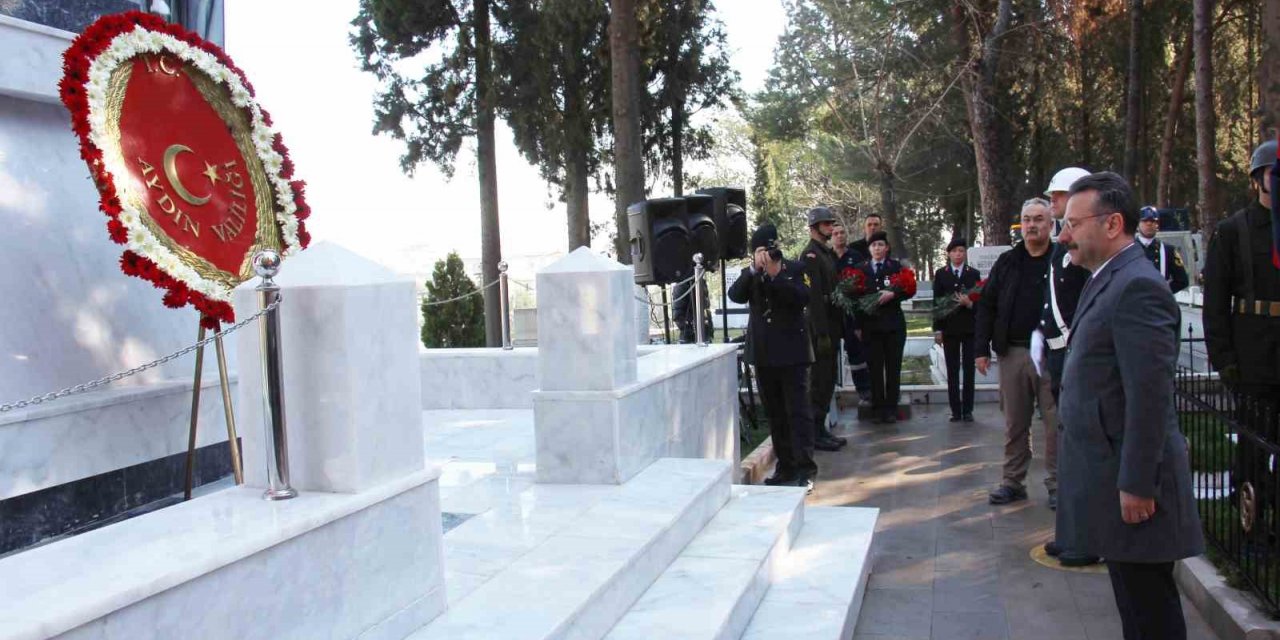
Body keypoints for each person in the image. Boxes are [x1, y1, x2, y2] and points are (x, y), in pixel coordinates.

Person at [1054, 171, 1204, 639]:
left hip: (1136, 489)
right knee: (1136, 611)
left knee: (1150, 616)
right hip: (1112, 478)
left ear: (1113, 223)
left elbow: (1149, 396)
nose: (1064, 235)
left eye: (1073, 224)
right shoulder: (1108, 278)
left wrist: (1138, 484)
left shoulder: (1137, 286)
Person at [974, 199, 1059, 506]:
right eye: (1026, 219)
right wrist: (981, 348)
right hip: (1013, 352)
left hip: (1053, 354)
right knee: (1014, 422)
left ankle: (1057, 483)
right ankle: (1013, 481)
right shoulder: (1008, 262)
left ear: (1050, 224)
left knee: (1056, 422)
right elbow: (987, 305)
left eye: (1038, 219)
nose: (1031, 225)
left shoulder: (1062, 260)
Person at [1040, 168, 1102, 566]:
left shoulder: (1084, 243)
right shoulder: (1063, 243)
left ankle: (1089, 537)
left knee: (1084, 445)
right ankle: (1070, 531)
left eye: (1058, 196)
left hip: (1078, 351)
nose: (1052, 203)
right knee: (1068, 443)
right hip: (1060, 352)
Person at [728, 224, 817, 492]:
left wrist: (777, 275)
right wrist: (755, 270)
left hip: (792, 354)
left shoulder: (796, 269)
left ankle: (805, 469)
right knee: (776, 414)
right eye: (759, 250)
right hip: (765, 355)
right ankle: (785, 466)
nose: (766, 255)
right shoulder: (751, 274)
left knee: (798, 413)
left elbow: (803, 297)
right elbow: (735, 295)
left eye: (769, 248)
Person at [1203, 138, 1280, 397]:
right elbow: (1215, 300)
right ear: (1258, 178)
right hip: (1254, 354)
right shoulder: (1232, 231)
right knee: (1258, 435)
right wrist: (1224, 359)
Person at [851, 231, 913, 423]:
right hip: (871, 328)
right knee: (875, 369)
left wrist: (893, 295)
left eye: (880, 245)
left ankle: (891, 409)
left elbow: (909, 289)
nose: (877, 248)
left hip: (893, 326)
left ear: (886, 248)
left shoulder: (895, 267)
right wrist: (858, 326)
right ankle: (878, 409)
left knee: (893, 369)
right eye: (873, 245)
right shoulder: (860, 269)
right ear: (869, 249)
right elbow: (854, 299)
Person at [801, 207, 848, 451]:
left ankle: (822, 430)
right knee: (819, 382)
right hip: (820, 327)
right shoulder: (810, 256)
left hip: (832, 323)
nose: (831, 227)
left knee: (828, 380)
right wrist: (820, 333)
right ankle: (815, 433)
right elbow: (814, 298)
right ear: (814, 227)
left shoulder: (826, 253)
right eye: (826, 224)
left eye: (831, 223)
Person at [932, 237, 980, 422]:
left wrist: (969, 304)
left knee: (969, 370)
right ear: (949, 254)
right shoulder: (941, 274)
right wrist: (937, 329)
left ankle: (967, 410)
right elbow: (936, 302)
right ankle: (955, 410)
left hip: (969, 328)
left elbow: (979, 300)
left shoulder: (972, 273)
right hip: (950, 329)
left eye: (961, 251)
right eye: (954, 251)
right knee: (952, 370)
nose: (958, 254)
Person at [832, 222, 872, 401]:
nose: (840, 236)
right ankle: (830, 390)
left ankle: (863, 389)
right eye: (836, 233)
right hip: (832, 312)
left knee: (857, 352)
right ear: (831, 237)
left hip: (852, 312)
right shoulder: (826, 257)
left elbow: (863, 285)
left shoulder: (855, 257)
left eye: (842, 233)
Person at [1136, 206, 1189, 294]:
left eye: (1153, 221)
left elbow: (1182, 281)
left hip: (1158, 303)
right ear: (1137, 225)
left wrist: (1164, 292)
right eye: (1145, 221)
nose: (1149, 224)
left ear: (1157, 225)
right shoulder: (1128, 249)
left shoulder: (1168, 250)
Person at [672, 277, 713, 344]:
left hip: (704, 332)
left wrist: (709, 329)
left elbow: (706, 308)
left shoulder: (701, 281)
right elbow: (678, 314)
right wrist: (690, 330)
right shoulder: (682, 285)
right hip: (690, 336)